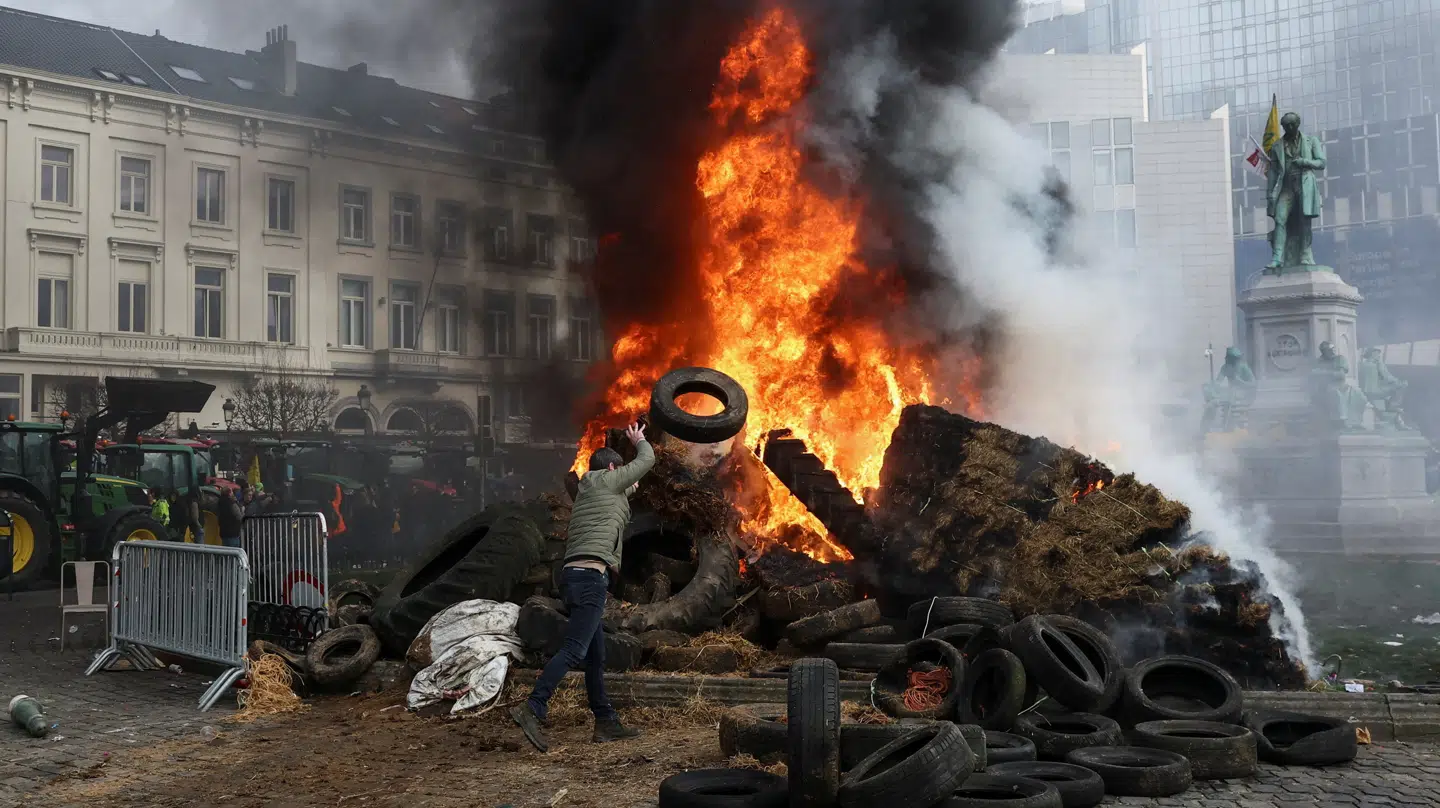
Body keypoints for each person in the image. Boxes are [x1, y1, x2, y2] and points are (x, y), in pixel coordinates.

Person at [511, 422, 655, 752]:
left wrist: (632, 474)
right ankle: (533, 706)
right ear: (613, 468)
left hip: (574, 577)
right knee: (575, 649)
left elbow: (633, 483)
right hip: (591, 578)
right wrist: (640, 440)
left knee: (595, 656)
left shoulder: (592, 488)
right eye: (621, 470)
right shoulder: (607, 480)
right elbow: (646, 463)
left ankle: (605, 722)